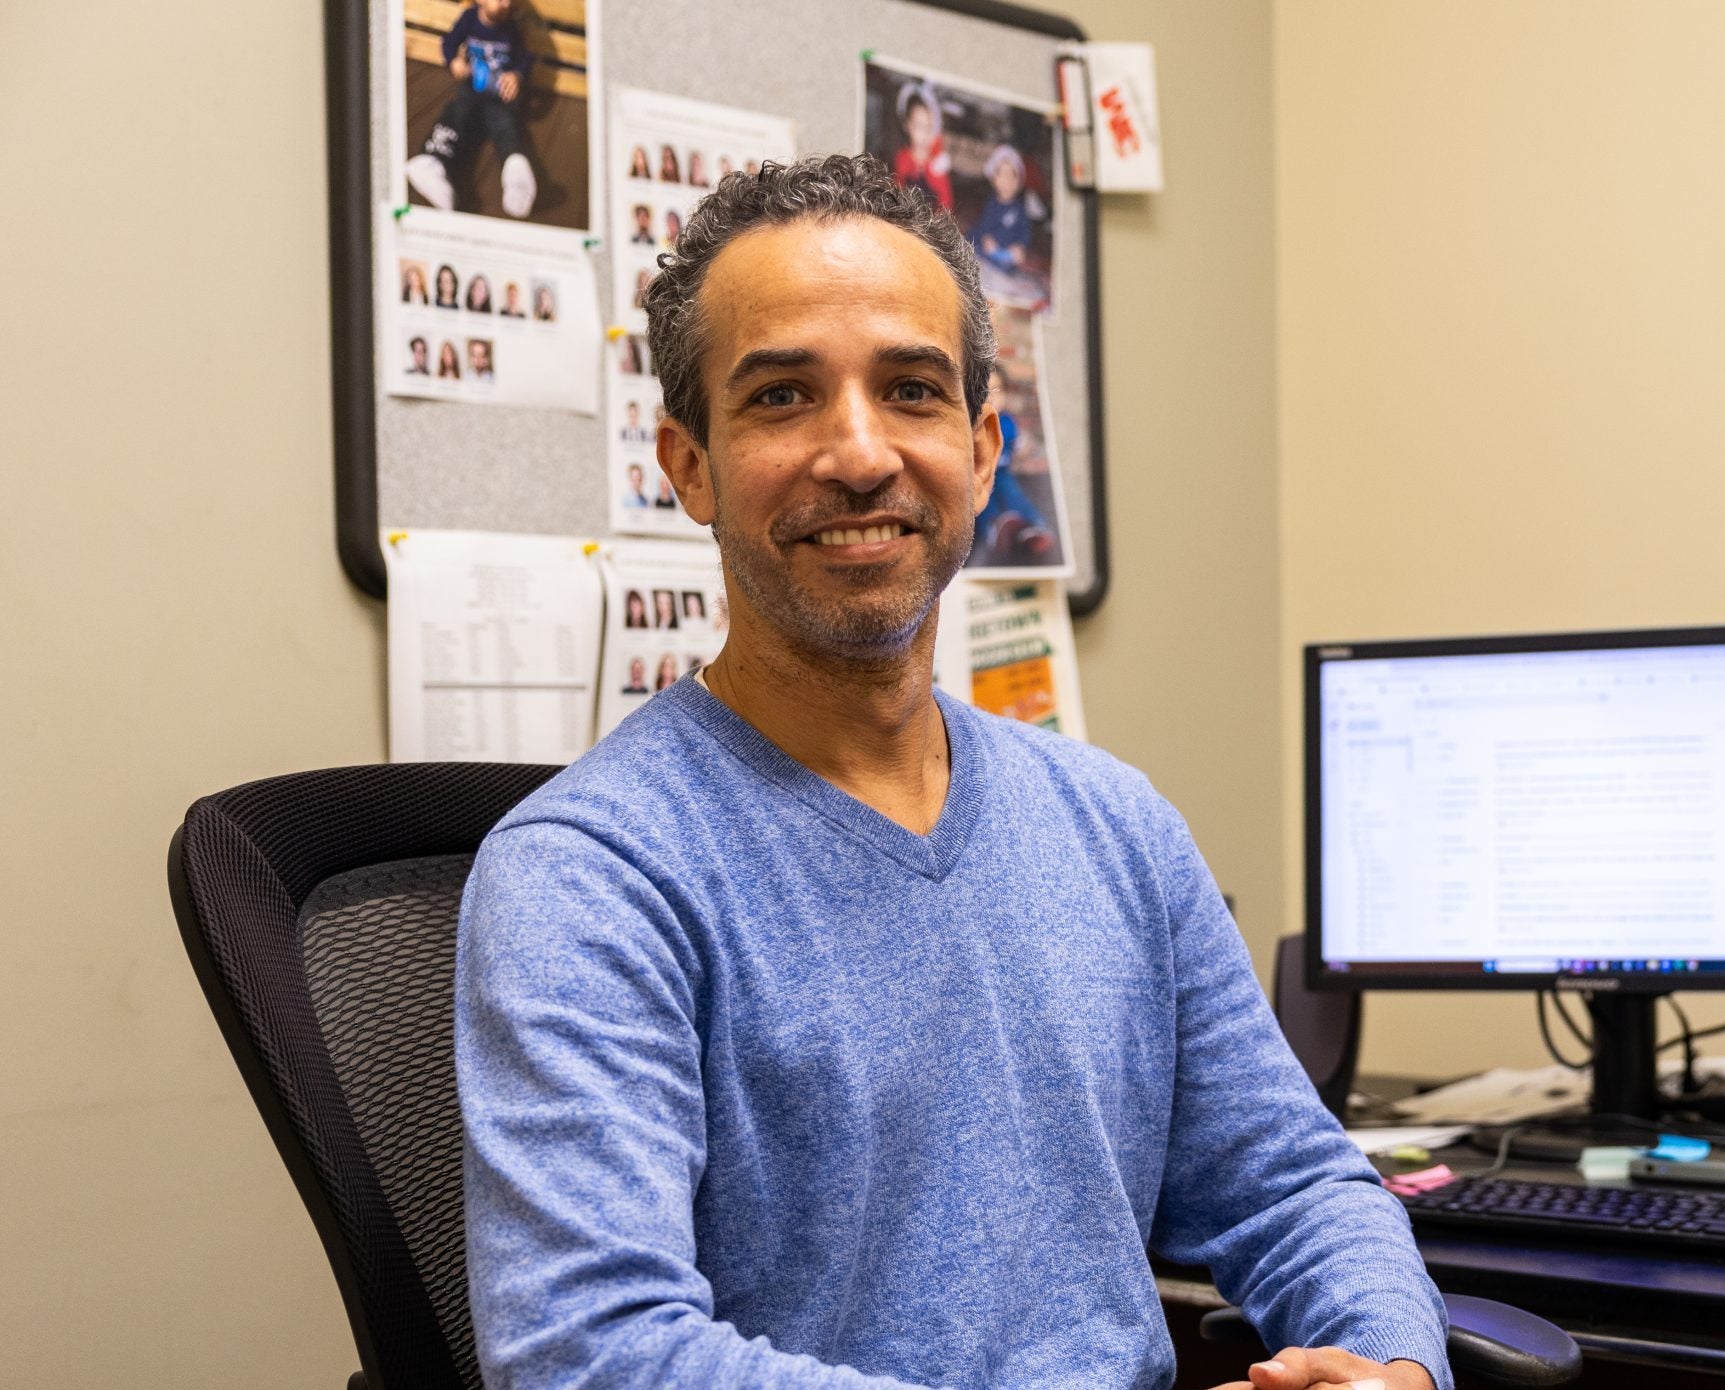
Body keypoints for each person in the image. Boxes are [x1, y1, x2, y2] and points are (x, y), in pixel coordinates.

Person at [456, 152, 1447, 1390]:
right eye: (781, 398)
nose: (859, 454)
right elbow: (587, 1357)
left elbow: (1294, 1182)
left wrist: (1392, 1361)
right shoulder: (589, 879)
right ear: (690, 462)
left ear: (982, 449)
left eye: (912, 391)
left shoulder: (1115, 824)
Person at [403, 0, 540, 219]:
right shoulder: (468, 19)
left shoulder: (511, 27)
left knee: (505, 124)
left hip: (498, 98)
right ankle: (432, 162)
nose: (507, 4)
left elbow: (525, 59)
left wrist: (516, 75)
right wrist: (454, 62)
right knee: (455, 114)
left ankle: (516, 174)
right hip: (471, 90)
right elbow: (449, 43)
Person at [970, 363, 1059, 567]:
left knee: (1014, 494)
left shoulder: (1008, 422)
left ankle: (1036, 527)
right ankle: (995, 529)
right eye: (984, 391)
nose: (990, 397)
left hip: (1002, 473)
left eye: (997, 391)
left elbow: (1019, 444)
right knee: (983, 500)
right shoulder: (973, 424)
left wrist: (1025, 449)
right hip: (981, 475)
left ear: (1007, 396)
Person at [969, 144, 1038, 275]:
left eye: (1012, 177)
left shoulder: (1020, 209)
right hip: (989, 246)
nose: (1008, 182)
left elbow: (1025, 232)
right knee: (974, 248)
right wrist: (987, 238)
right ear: (994, 180)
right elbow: (984, 225)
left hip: (1007, 249)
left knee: (1014, 261)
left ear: (1019, 182)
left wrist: (1020, 246)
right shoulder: (991, 204)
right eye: (1003, 176)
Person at [891, 81, 953, 208]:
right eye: (919, 126)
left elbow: (946, 203)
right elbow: (895, 191)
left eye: (929, 127)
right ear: (907, 126)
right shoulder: (902, 158)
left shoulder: (937, 166)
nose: (925, 133)